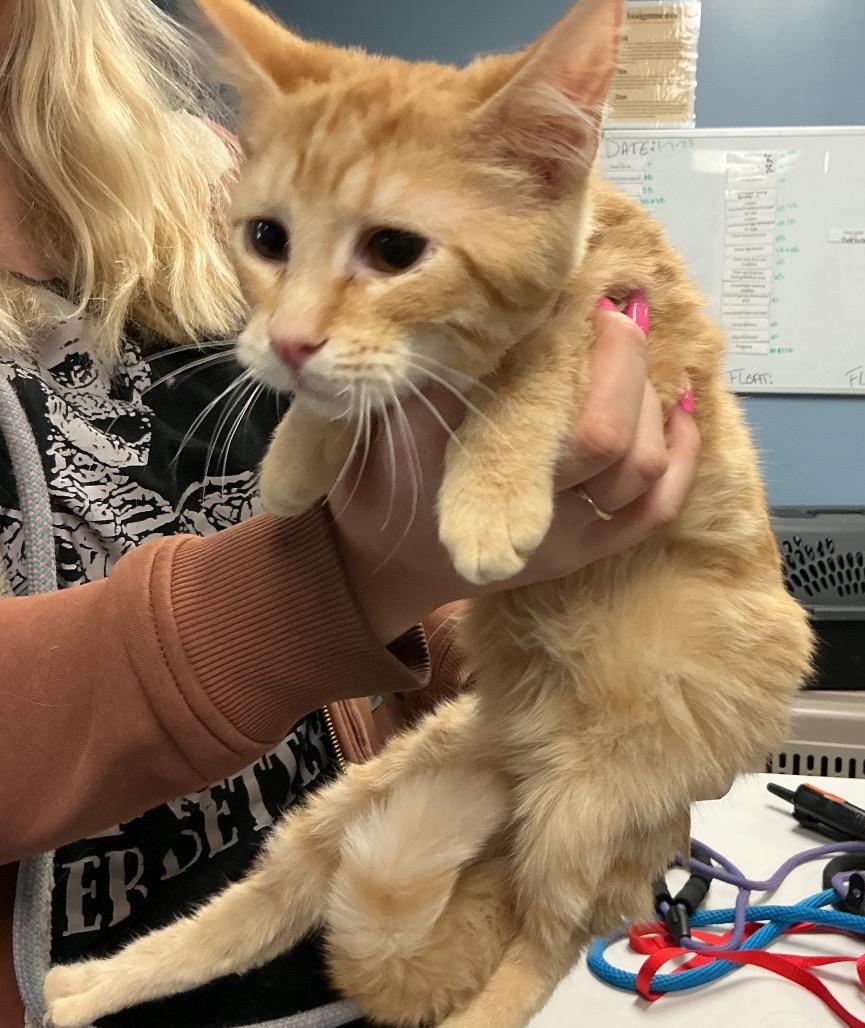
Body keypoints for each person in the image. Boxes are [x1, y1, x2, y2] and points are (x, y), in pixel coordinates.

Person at [0, 1, 701, 1025]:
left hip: (350, 957)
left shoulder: (220, 179)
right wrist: (352, 575)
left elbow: (382, 515)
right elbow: (347, 555)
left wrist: (525, 644)